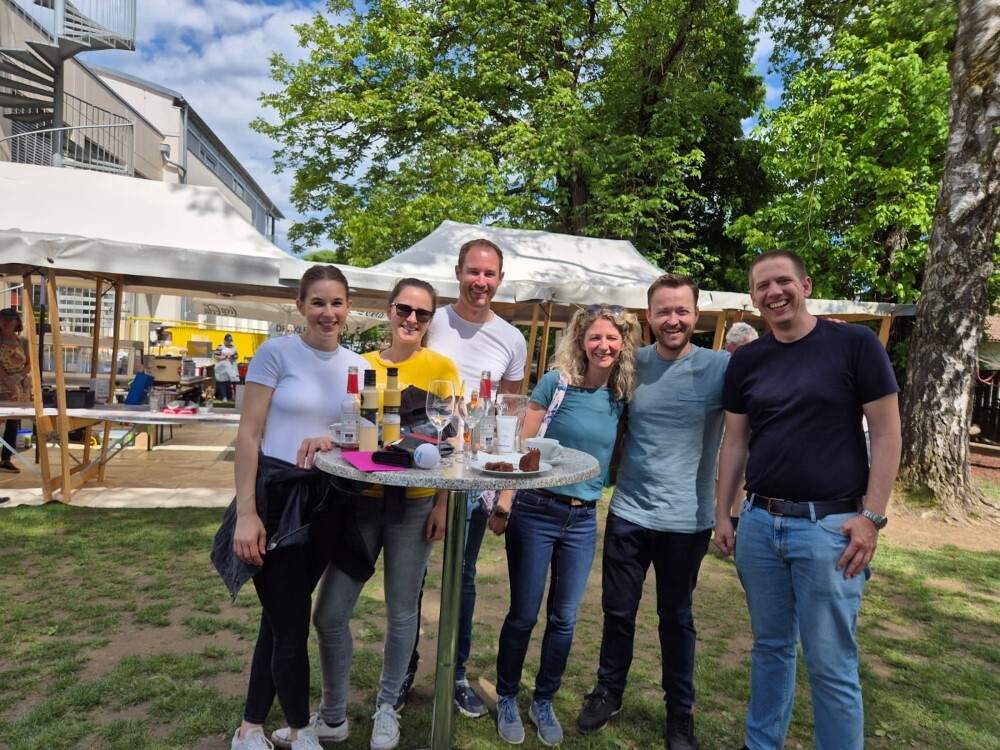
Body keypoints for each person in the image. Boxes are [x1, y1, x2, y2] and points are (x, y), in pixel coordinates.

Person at [713, 250, 901, 750]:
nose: (774, 292)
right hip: (759, 523)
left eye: (783, 281)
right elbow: (735, 443)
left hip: (831, 529)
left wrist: (872, 517)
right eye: (762, 286)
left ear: (806, 285)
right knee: (770, 649)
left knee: (830, 662)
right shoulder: (747, 359)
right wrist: (723, 514)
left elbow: (887, 433)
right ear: (753, 298)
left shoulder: (854, 344)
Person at [299, 279, 459, 750]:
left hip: (416, 505)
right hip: (360, 503)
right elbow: (343, 427)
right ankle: (333, 715)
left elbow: (452, 442)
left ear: (431, 320)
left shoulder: (442, 368)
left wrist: (443, 504)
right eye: (404, 309)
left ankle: (388, 707)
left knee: (402, 612)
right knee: (329, 613)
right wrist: (329, 437)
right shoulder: (360, 363)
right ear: (389, 311)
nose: (411, 319)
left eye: (422, 314)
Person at [576, 274, 730, 750]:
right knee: (617, 612)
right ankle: (609, 691)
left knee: (676, 618)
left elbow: (766, 400)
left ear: (697, 315)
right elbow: (583, 393)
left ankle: (680, 713)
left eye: (682, 311)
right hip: (629, 513)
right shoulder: (631, 364)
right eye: (664, 311)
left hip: (688, 520)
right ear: (649, 316)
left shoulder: (721, 367)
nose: (673, 320)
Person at [220, 265, 369, 750]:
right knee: (290, 622)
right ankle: (302, 731)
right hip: (276, 498)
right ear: (300, 306)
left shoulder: (358, 365)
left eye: (337, 303)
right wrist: (247, 513)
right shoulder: (275, 353)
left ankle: (249, 729)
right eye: (318, 302)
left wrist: (333, 439)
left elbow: (365, 437)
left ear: (349, 308)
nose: (328, 313)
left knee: (280, 618)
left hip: (328, 501)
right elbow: (248, 436)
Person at [489, 304, 640, 746]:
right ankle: (506, 696)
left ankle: (544, 700)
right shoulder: (556, 384)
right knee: (523, 614)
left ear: (623, 344)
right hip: (536, 510)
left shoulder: (621, 394)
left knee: (565, 619)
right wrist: (504, 503)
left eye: (612, 338)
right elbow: (521, 446)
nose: (603, 345)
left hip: (583, 518)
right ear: (580, 340)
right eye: (595, 337)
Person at [404, 238, 527, 718]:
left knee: (463, 575)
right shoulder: (431, 321)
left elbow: (508, 417)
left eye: (489, 274)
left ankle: (455, 673)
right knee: (413, 574)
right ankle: (405, 668)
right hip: (424, 466)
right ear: (458, 272)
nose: (480, 281)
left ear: (500, 279)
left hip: (474, 475)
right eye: (473, 271)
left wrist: (502, 491)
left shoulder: (512, 339)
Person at [722, 322, 759, 530]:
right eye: (745, 347)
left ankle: (736, 520)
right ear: (732, 346)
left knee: (743, 479)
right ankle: (726, 518)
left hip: (750, 435)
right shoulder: (723, 364)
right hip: (727, 433)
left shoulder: (760, 365)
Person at [0, 307, 31, 474]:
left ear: (17, 322)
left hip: (19, 386)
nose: (6, 322)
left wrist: (18, 378)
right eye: (3, 319)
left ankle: (6, 459)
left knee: (13, 423)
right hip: (1, 385)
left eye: (10, 319)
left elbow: (30, 364)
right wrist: (7, 380)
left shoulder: (23, 342)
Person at [215, 333, 239, 401]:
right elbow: (215, 356)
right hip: (222, 367)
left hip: (232, 367)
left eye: (230, 341)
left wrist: (233, 356)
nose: (229, 343)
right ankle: (224, 397)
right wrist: (223, 357)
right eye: (228, 341)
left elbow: (237, 355)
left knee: (235, 382)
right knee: (222, 381)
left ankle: (237, 397)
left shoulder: (233, 347)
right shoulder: (220, 347)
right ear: (225, 340)